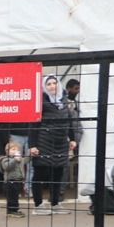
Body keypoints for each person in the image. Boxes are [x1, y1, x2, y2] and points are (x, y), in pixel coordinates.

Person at [28, 75, 77, 215]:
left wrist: (72, 139)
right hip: (43, 141)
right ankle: (38, 205)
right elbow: (33, 124)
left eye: (54, 83)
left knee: (58, 174)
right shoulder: (41, 101)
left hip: (61, 142)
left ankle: (55, 203)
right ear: (44, 87)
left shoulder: (64, 100)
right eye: (48, 84)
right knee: (40, 173)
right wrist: (33, 145)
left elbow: (69, 121)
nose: (52, 86)